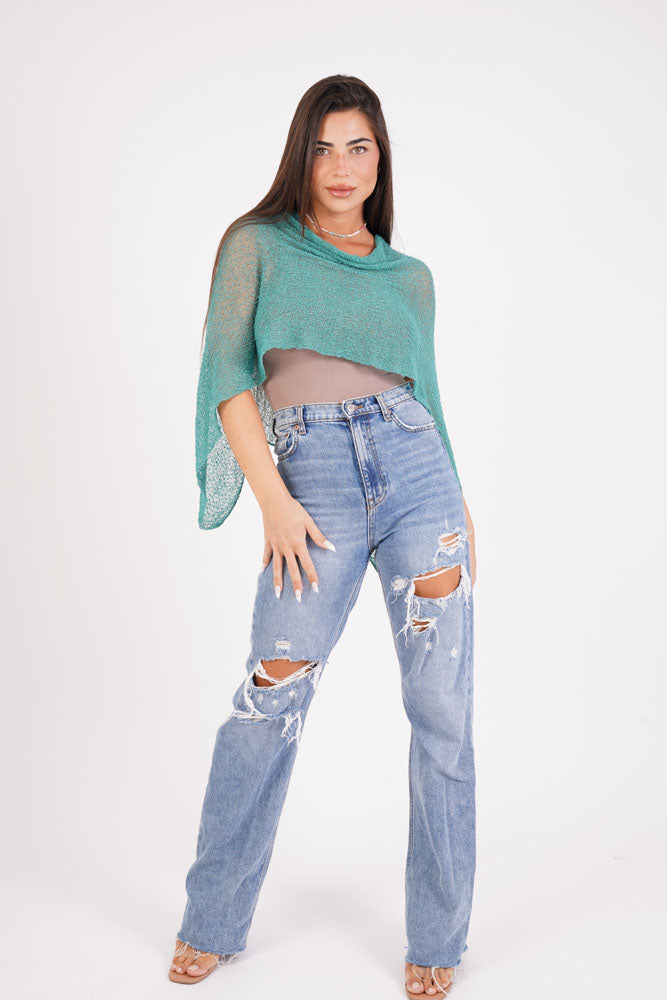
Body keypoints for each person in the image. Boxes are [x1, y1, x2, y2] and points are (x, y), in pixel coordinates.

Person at [169, 75, 477, 999]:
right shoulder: (257, 245)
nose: (342, 167)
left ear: (380, 160)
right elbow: (227, 375)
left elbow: (427, 397)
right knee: (270, 697)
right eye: (323, 148)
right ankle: (212, 919)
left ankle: (439, 938)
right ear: (299, 155)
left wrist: (463, 513)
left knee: (442, 715)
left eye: (360, 148)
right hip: (312, 483)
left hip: (420, 479)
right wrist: (272, 498)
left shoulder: (409, 277)